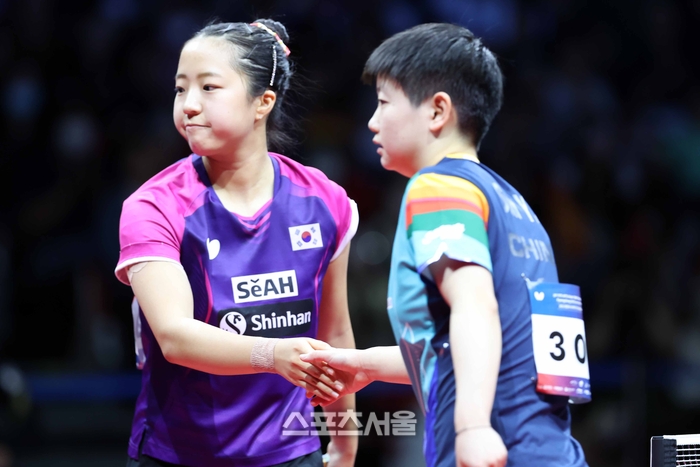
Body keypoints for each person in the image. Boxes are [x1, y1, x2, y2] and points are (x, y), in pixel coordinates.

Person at [301, 23, 590, 467]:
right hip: (549, 450)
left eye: (384, 103)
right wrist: (366, 366)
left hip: (496, 451)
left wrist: (472, 428)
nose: (372, 121)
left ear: (437, 110)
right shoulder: (513, 204)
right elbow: (480, 348)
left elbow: (475, 308)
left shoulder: (438, 188)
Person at [115, 19, 359, 467]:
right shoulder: (154, 206)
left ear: (263, 102)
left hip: (291, 450)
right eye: (180, 89)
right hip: (178, 454)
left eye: (209, 88)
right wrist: (273, 354)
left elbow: (335, 334)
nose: (189, 105)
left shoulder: (326, 202)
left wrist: (343, 440)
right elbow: (175, 336)